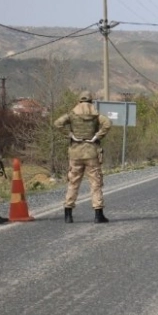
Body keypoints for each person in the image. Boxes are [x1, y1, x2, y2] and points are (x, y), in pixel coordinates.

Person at [54, 91, 112, 223]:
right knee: (95, 184)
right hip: (92, 152)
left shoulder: (72, 114)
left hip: (75, 152)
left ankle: (68, 213)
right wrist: (97, 136)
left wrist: (70, 135)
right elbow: (108, 123)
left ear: (79, 101)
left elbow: (58, 123)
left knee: (73, 183)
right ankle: (98, 214)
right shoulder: (96, 115)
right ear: (91, 101)